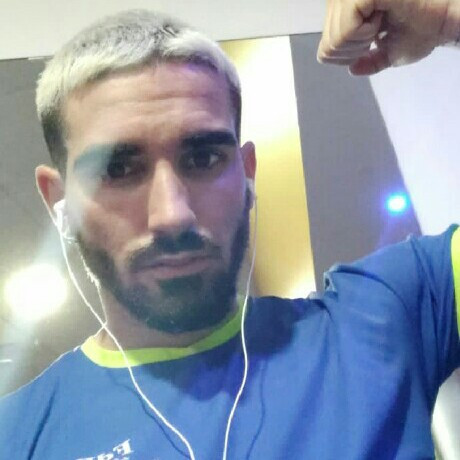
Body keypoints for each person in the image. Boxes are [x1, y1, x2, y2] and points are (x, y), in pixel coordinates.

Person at [0, 1, 459, 458]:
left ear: (247, 173)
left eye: (203, 158)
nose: (172, 215)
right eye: (117, 170)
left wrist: (447, 17)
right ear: (58, 200)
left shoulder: (383, 318)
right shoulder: (15, 435)